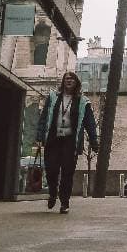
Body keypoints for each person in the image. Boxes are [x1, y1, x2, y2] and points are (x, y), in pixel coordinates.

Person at [36, 71, 98, 213]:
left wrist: (94, 141)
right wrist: (39, 137)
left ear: (76, 83)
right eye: (67, 78)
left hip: (70, 142)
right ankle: (52, 192)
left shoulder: (83, 101)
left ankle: (65, 202)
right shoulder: (53, 98)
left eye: (72, 79)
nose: (69, 81)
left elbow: (90, 123)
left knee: (67, 173)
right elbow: (44, 117)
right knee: (51, 170)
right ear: (63, 81)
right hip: (53, 140)